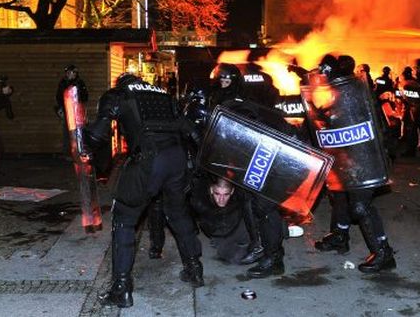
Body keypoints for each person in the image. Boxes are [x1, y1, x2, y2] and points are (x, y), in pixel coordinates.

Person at [87, 73, 204, 308]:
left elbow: (96, 136)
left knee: (124, 219)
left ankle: (121, 288)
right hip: (177, 159)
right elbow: (193, 132)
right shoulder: (164, 96)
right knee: (178, 214)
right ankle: (194, 270)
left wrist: (80, 136)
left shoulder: (119, 94)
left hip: (149, 159)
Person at [312, 53, 396, 273]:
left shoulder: (355, 92)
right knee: (339, 195)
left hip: (364, 159)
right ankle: (340, 235)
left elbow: (376, 125)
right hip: (345, 159)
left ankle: (383, 253)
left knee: (360, 206)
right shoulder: (332, 93)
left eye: (323, 70)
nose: (320, 74)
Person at [207, 62, 286, 278]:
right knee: (250, 204)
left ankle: (273, 256)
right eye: (221, 78)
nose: (224, 82)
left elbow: (252, 124)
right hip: (237, 158)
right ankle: (261, 247)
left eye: (228, 78)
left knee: (264, 208)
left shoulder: (241, 99)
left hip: (258, 156)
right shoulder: (216, 97)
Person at [189, 174, 251, 264]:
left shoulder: (239, 197)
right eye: (217, 194)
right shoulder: (201, 202)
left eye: (226, 194)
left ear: (232, 191)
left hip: (235, 225)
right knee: (234, 257)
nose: (221, 199)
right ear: (211, 190)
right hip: (218, 232)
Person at [55, 65, 89, 158]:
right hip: (67, 111)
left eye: (72, 72)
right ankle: (68, 153)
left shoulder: (80, 83)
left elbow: (85, 96)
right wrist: (61, 108)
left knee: (80, 131)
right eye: (68, 72)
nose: (70, 74)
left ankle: (80, 152)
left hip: (78, 111)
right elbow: (59, 96)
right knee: (67, 132)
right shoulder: (63, 83)